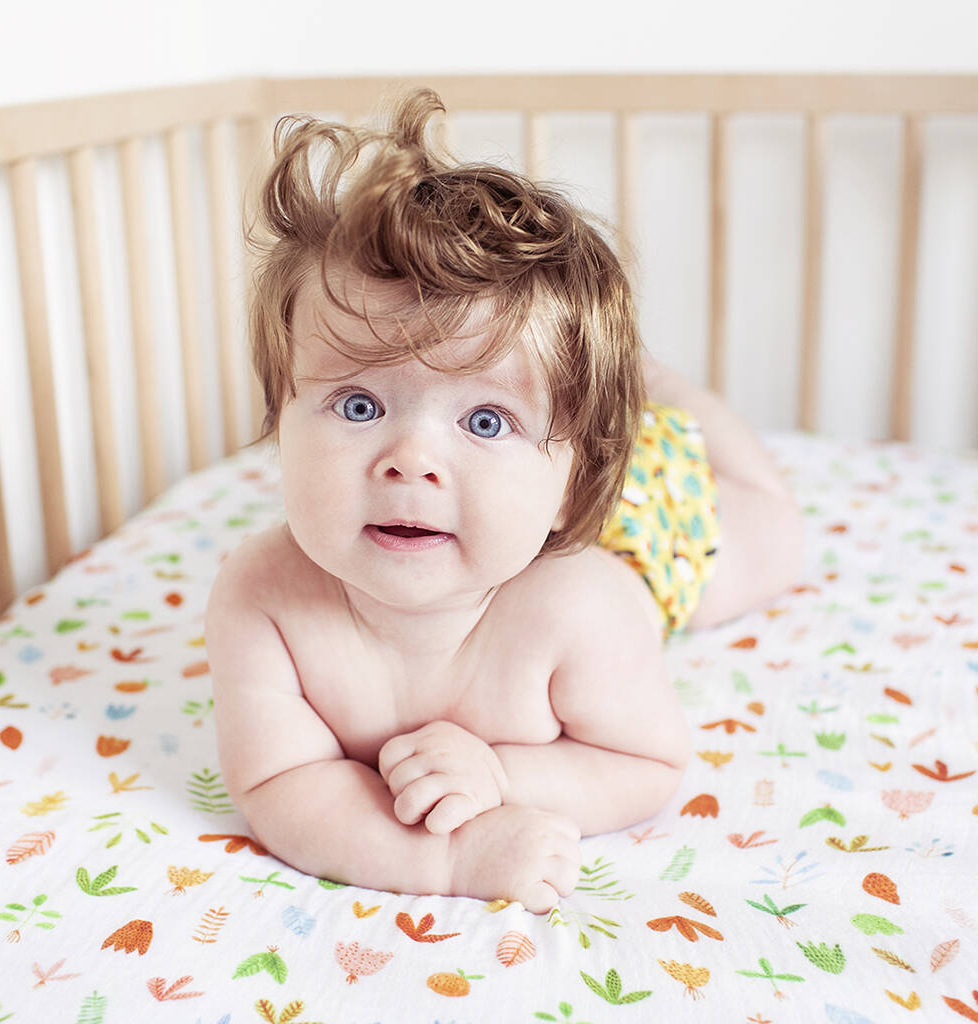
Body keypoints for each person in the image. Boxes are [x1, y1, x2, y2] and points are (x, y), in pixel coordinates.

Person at [204, 88, 804, 914]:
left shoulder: (585, 612)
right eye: (357, 405)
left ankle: (668, 401)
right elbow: (281, 782)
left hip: (644, 526)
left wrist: (503, 774)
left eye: (486, 419)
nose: (410, 461)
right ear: (281, 414)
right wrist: (450, 863)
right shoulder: (261, 597)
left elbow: (646, 764)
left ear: (572, 484)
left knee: (771, 537)